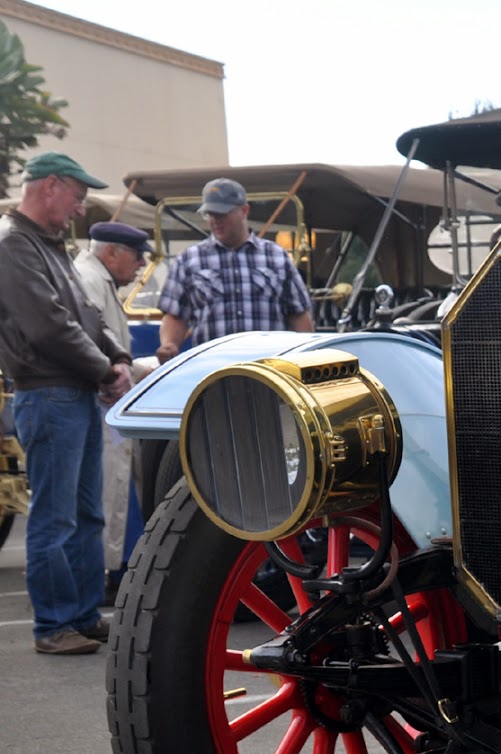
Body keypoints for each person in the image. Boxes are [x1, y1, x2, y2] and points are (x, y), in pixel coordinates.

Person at [0, 152, 133, 655]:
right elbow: (50, 326)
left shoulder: (41, 244)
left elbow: (83, 316)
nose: (80, 209)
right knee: (59, 516)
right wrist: (107, 367)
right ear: (50, 186)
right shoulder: (15, 245)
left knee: (81, 514)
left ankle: (76, 616)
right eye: (77, 197)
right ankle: (55, 624)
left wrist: (115, 356)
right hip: (51, 391)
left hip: (67, 390)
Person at [74, 221, 151, 601]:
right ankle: (106, 574)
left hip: (110, 394)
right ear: (112, 252)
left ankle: (110, 571)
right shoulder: (90, 280)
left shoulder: (97, 279)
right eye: (136, 255)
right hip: (103, 397)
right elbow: (91, 343)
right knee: (109, 488)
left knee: (115, 486)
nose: (140, 264)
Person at [155, 177, 313, 361]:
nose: (215, 221)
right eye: (210, 215)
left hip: (269, 369)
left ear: (244, 211)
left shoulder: (276, 256)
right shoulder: (189, 260)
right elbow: (175, 315)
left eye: (222, 214)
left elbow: (298, 313)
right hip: (211, 369)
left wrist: (307, 356)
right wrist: (169, 345)